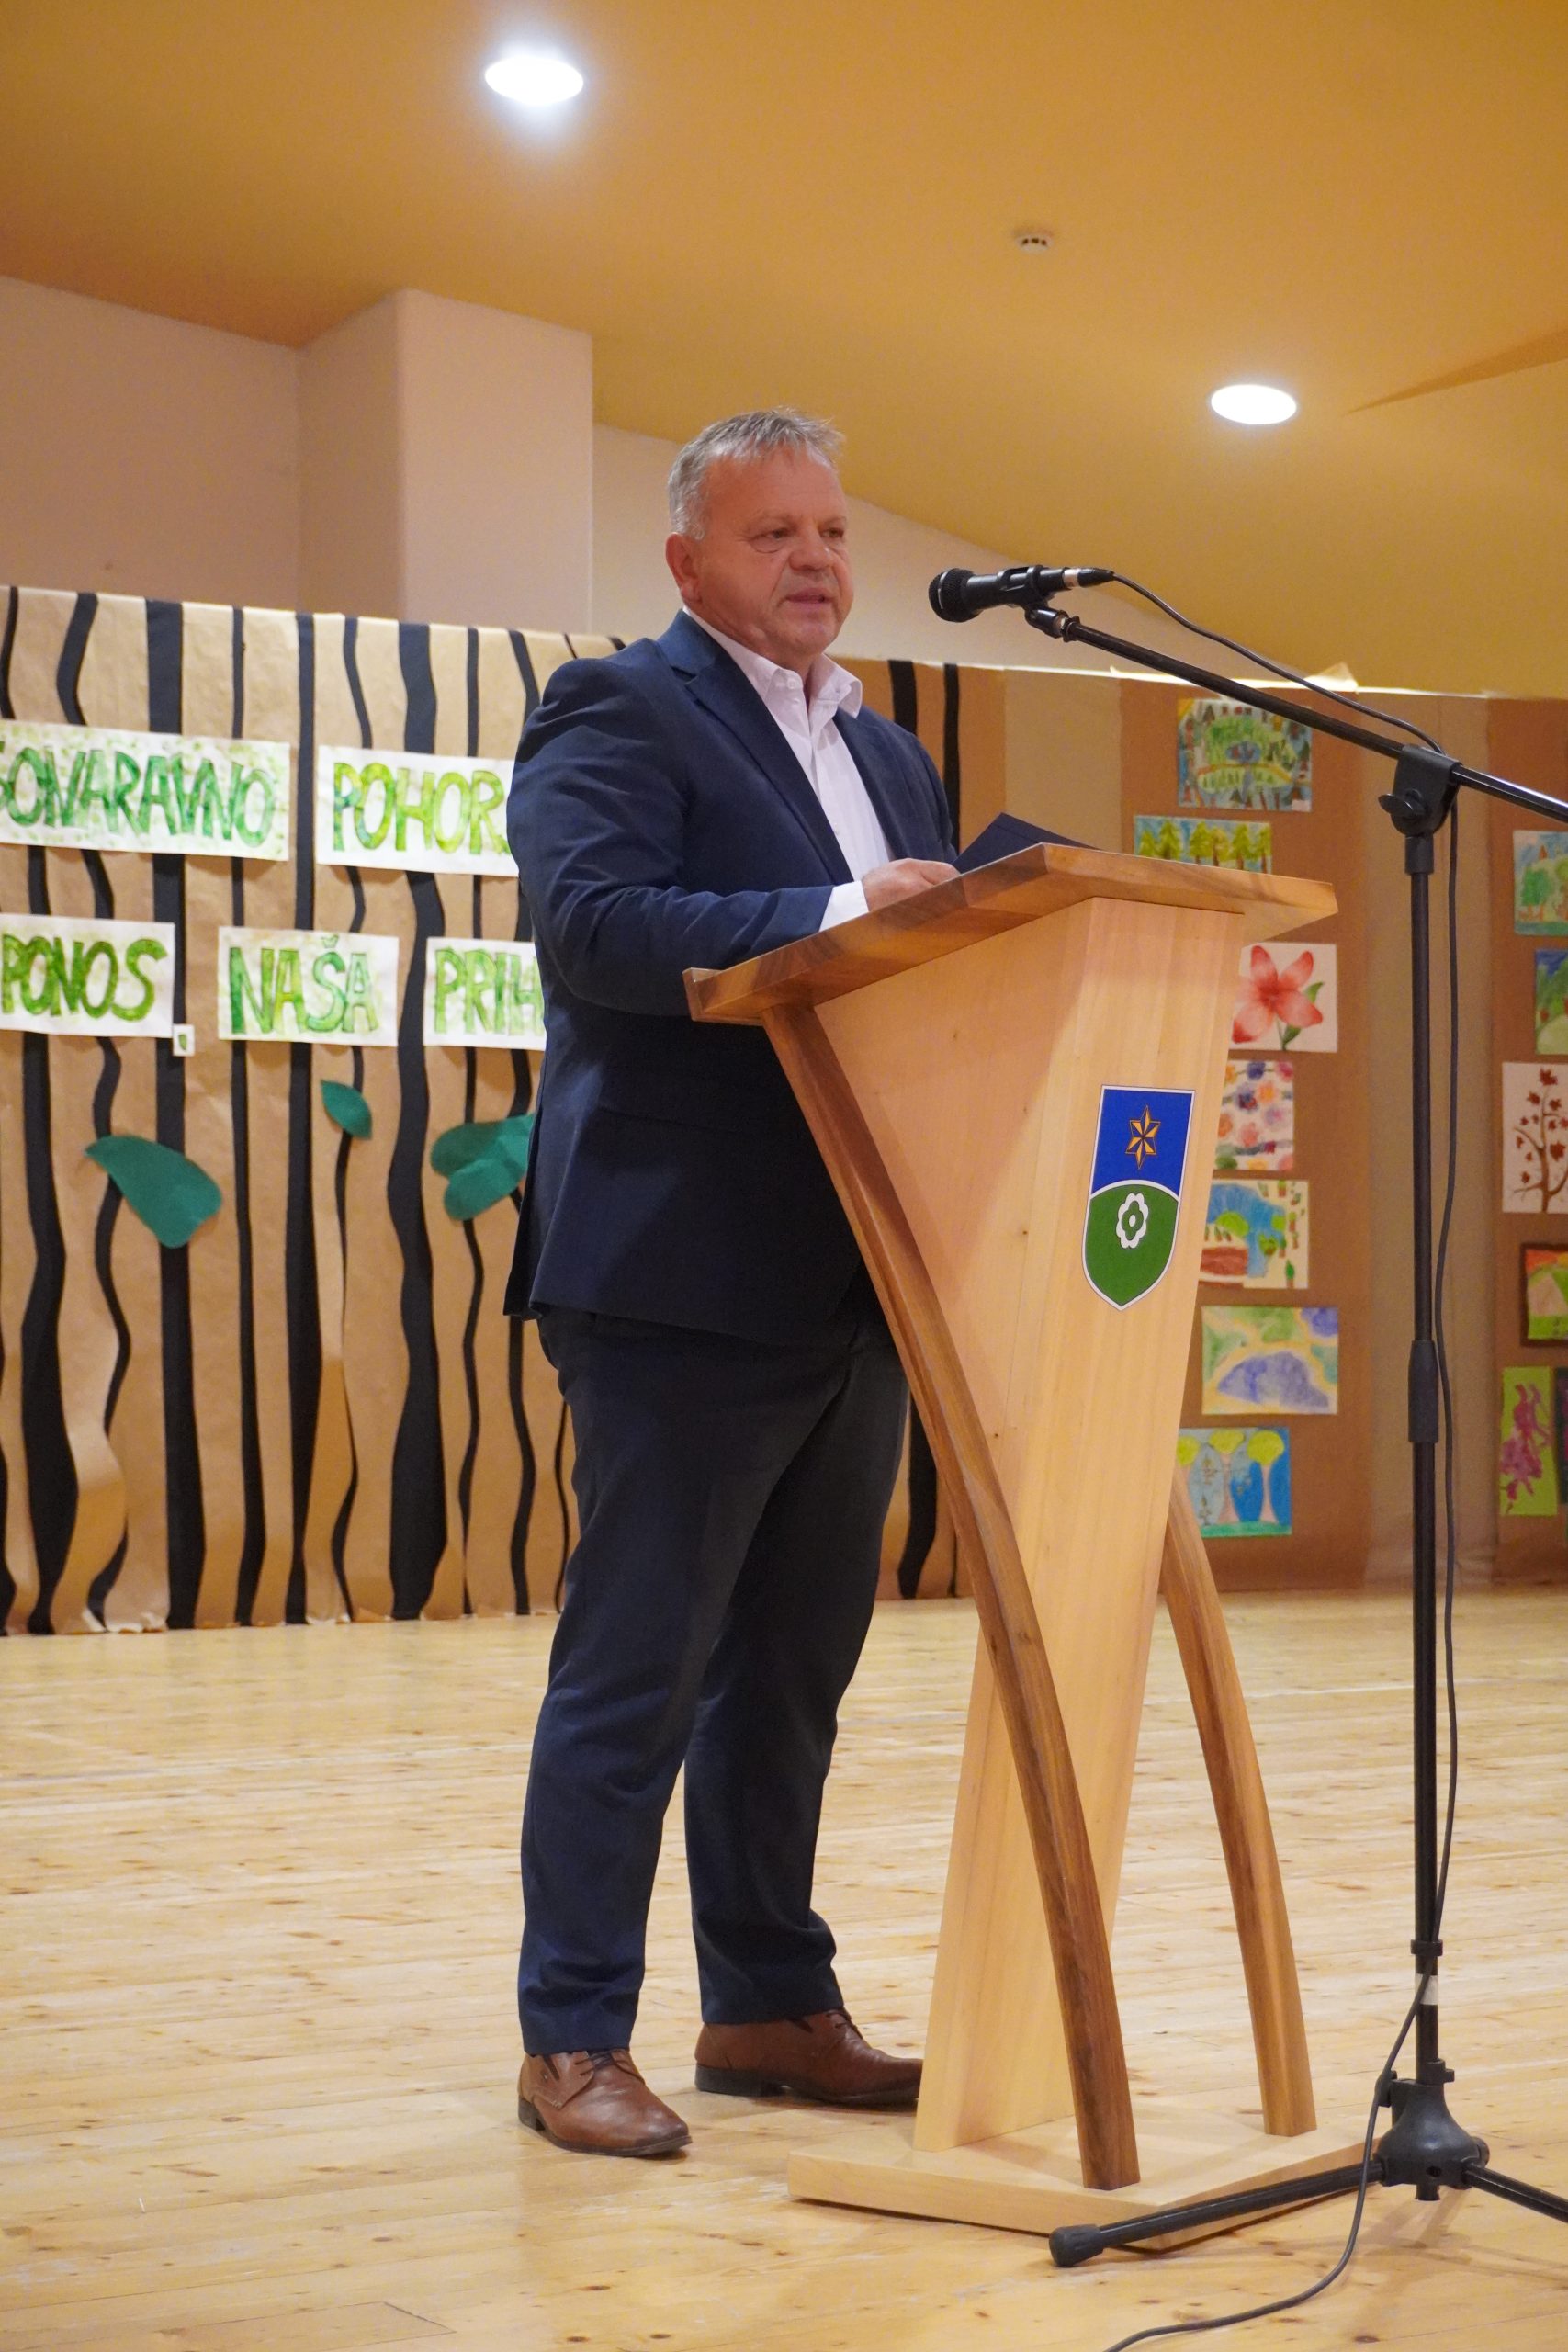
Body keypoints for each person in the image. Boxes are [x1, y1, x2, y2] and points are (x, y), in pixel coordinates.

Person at [505, 408, 958, 2157]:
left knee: (788, 1677)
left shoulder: (891, 753)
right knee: (638, 1670)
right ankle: (571, 2035)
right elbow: (596, 927)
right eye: (775, 534)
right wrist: (842, 908)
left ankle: (767, 2003)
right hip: (680, 1268)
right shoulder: (619, 706)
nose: (816, 561)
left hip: (856, 1269)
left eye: (832, 532)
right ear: (688, 561)